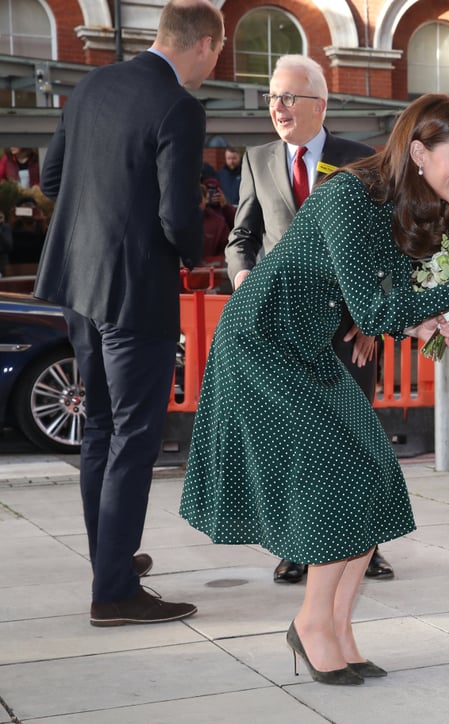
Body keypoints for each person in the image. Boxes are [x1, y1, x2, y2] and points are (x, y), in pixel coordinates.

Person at [179, 93, 449, 685]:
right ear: (419, 152)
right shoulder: (351, 194)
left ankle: (337, 627)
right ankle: (313, 623)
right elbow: (371, 306)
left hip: (306, 345)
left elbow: (375, 300)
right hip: (263, 343)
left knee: (372, 475)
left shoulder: (394, 201)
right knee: (337, 476)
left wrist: (424, 319)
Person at [33, 0, 224, 627]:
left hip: (76, 283)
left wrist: (101, 224)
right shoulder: (179, 106)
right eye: (217, 52)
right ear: (204, 46)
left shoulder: (93, 83)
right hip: (135, 289)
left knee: (100, 429)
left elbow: (53, 174)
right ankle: (113, 593)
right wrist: (191, 251)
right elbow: (177, 215)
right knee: (135, 437)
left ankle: (109, 561)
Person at [224, 54, 395, 585]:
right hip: (280, 329)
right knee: (291, 439)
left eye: (289, 97)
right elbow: (241, 238)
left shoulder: (362, 159)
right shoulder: (257, 159)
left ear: (320, 105)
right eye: (274, 96)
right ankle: (298, 546)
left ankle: (365, 545)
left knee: (353, 435)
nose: (278, 106)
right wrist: (244, 280)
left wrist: (372, 317)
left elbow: (385, 244)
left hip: (347, 327)